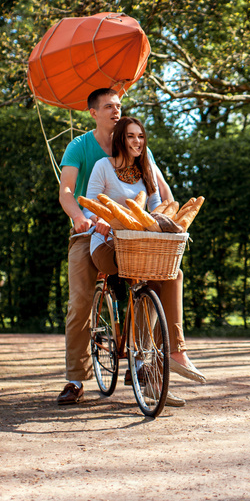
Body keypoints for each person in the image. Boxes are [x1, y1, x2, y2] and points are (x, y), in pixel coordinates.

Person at [56, 88, 175, 406]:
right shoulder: (80, 146)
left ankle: (143, 360)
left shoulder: (137, 149)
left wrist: (167, 216)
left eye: (119, 105)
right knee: (80, 301)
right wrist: (81, 217)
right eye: (108, 106)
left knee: (155, 280)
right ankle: (75, 379)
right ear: (93, 112)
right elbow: (67, 190)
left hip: (134, 235)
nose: (116, 110)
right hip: (90, 232)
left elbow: (160, 191)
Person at [85, 116, 206, 387]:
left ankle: (172, 353)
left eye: (140, 136)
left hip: (140, 245)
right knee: (147, 278)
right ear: (120, 139)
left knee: (172, 275)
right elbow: (89, 204)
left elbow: (155, 208)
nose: (137, 141)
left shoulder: (146, 169)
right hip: (106, 245)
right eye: (130, 136)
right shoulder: (102, 166)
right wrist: (100, 220)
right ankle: (144, 359)